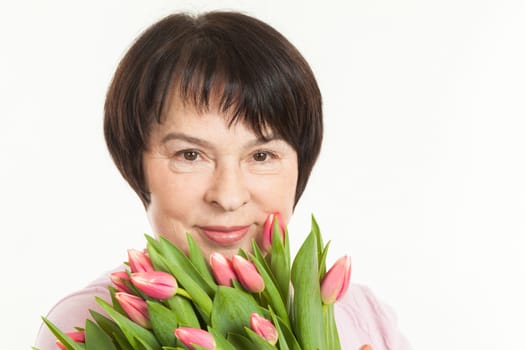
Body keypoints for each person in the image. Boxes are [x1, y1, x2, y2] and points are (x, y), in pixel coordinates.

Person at [35, 11, 411, 349]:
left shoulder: (364, 318)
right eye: (190, 155)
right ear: (135, 163)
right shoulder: (90, 323)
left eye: (261, 156)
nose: (228, 197)